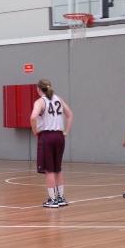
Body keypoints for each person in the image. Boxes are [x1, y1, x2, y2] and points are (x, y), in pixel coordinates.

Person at [30, 78, 73, 208]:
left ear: (38, 89)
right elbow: (70, 114)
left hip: (47, 136)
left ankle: (53, 200)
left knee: (49, 170)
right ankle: (60, 198)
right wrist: (66, 131)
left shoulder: (40, 102)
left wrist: (35, 130)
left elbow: (32, 117)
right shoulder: (58, 99)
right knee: (58, 169)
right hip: (59, 136)